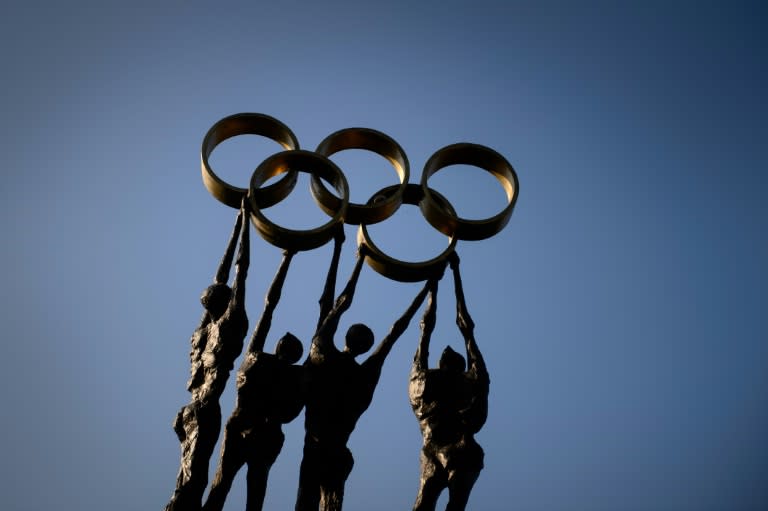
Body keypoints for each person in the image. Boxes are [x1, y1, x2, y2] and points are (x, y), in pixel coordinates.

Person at [295, 242, 435, 511]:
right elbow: (396, 331)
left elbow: (335, 305)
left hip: (314, 450)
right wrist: (428, 288)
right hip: (338, 454)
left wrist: (359, 259)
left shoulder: (321, 353)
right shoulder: (365, 375)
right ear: (366, 346)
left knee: (305, 503)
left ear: (346, 337)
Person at [203, 245, 305, 511]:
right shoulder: (297, 375)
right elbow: (270, 308)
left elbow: (269, 308)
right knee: (251, 492)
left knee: (225, 485)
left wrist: (287, 260)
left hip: (248, 426)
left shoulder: (257, 357)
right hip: (262, 431)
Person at [166, 200, 251, 511]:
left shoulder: (224, 327)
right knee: (187, 475)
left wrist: (245, 223)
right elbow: (228, 273)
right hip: (195, 410)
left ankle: (180, 503)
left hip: (199, 408)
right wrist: (240, 222)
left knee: (190, 476)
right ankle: (180, 503)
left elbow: (238, 272)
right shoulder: (210, 329)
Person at [409, 253, 490, 511]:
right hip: (464, 449)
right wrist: (455, 272)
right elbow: (466, 328)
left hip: (434, 447)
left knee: (424, 504)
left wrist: (433, 287)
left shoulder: (425, 381)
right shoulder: (473, 380)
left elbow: (425, 332)